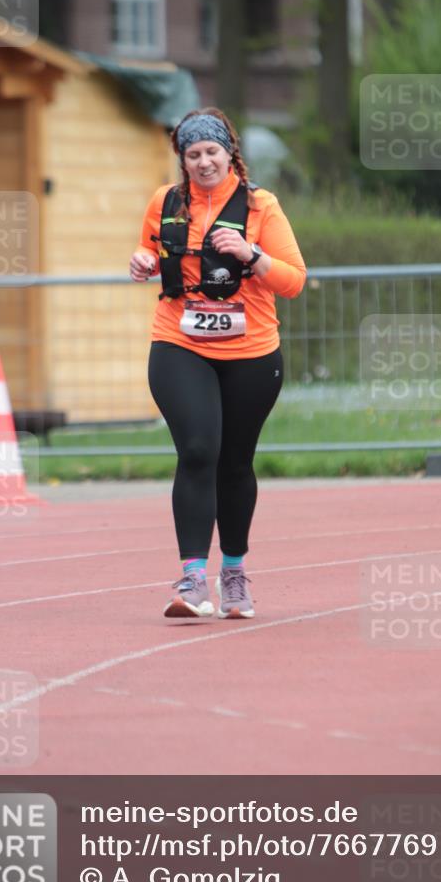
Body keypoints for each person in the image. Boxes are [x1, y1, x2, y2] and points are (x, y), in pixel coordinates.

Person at [129, 107, 306, 620]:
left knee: (234, 462)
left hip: (251, 352)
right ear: (182, 160)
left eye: (212, 151)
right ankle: (191, 579)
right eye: (193, 154)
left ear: (230, 154)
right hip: (179, 343)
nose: (204, 162)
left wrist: (251, 254)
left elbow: (293, 280)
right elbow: (148, 251)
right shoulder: (165, 202)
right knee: (198, 450)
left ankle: (233, 574)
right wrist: (141, 262)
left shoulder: (260, 205)